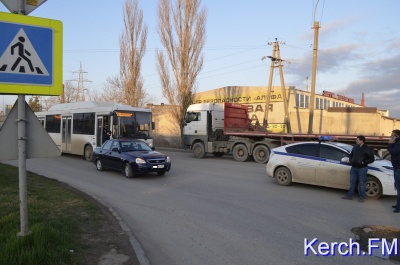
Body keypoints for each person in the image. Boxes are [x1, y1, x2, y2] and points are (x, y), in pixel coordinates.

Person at [342, 135, 375, 202]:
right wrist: (351, 160)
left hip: (362, 168)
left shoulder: (367, 148)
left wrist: (364, 162)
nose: (356, 141)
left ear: (362, 141)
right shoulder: (355, 147)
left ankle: (361, 197)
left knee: (362, 183)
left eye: (357, 140)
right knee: (352, 182)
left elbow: (372, 159)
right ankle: (350, 195)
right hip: (354, 167)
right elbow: (351, 155)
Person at [388, 129, 400, 213]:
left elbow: (393, 152)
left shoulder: (398, 143)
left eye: (392, 135)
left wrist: (390, 144)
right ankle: (398, 204)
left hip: (398, 167)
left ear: (396, 136)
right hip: (397, 166)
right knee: (397, 186)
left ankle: (398, 207)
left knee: (399, 188)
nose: (391, 136)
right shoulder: (397, 142)